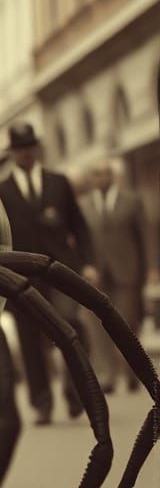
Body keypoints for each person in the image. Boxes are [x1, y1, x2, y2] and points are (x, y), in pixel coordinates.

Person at [0, 121, 97, 424]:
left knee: (72, 328)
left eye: (30, 148)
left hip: (62, 274)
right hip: (21, 279)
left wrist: (88, 263)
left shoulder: (59, 182)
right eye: (20, 149)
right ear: (12, 153)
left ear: (37, 149)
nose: (26, 154)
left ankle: (74, 392)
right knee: (29, 342)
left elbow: (80, 226)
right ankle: (41, 402)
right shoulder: (1, 191)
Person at [82, 157, 159, 392]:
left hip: (127, 272)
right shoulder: (83, 206)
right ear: (91, 179)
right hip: (95, 276)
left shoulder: (132, 201)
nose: (101, 177)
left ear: (113, 176)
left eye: (106, 173)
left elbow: (146, 237)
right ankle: (108, 376)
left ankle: (131, 372)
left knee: (127, 324)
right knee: (98, 326)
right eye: (97, 173)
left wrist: (152, 268)